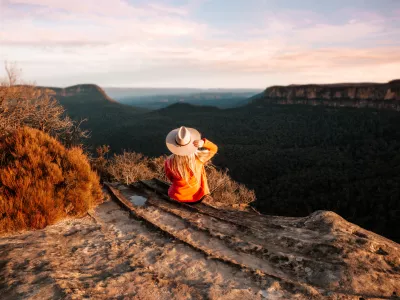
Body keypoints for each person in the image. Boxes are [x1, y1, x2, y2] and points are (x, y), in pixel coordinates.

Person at [165, 126, 218, 203]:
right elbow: (214, 149)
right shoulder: (199, 159)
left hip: (175, 196)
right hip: (195, 197)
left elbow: (170, 178)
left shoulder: (169, 161)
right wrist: (203, 142)